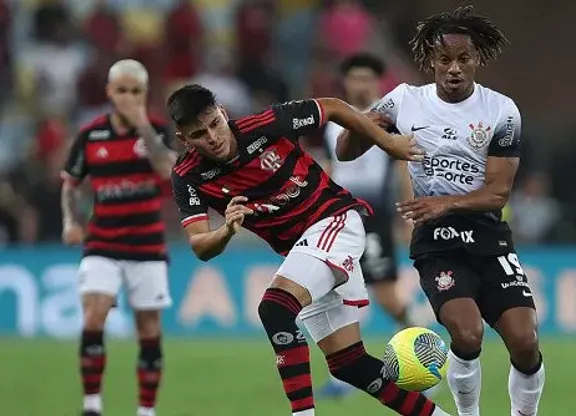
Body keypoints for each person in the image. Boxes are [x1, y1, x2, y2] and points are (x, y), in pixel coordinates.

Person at [167, 84, 451, 416]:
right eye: (199, 134)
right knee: (349, 364)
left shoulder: (265, 126)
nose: (212, 137)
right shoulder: (188, 177)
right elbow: (201, 246)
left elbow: (331, 106)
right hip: (305, 250)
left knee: (275, 308)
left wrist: (387, 142)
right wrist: (225, 231)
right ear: (184, 140)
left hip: (335, 220)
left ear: (223, 114)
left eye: (215, 123)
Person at [335, 6, 545, 416]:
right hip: (437, 240)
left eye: (463, 59)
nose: (453, 69)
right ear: (430, 60)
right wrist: (376, 129)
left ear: (477, 60)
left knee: (525, 340)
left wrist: (444, 201)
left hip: (488, 235)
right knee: (467, 335)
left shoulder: (501, 111)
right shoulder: (403, 102)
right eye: (444, 60)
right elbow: (344, 150)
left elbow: (498, 193)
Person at [60, 59, 178, 416]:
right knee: (94, 316)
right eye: (122, 90)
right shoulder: (91, 135)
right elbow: (70, 183)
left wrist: (141, 123)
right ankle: (92, 406)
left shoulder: (157, 130)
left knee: (148, 329)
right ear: (110, 92)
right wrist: (70, 220)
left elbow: (167, 170)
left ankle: (146, 410)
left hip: (147, 244)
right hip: (102, 241)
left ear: (145, 94)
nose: (128, 97)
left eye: (135, 91)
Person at [318, 52, 417, 398]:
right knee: (337, 296)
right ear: (345, 82)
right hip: (338, 217)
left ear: (377, 82)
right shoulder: (331, 121)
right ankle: (340, 377)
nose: (360, 84)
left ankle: (422, 349)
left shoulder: (388, 119)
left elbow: (403, 165)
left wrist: (408, 213)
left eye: (367, 78)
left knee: (388, 298)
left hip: (374, 216)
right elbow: (330, 168)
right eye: (354, 78)